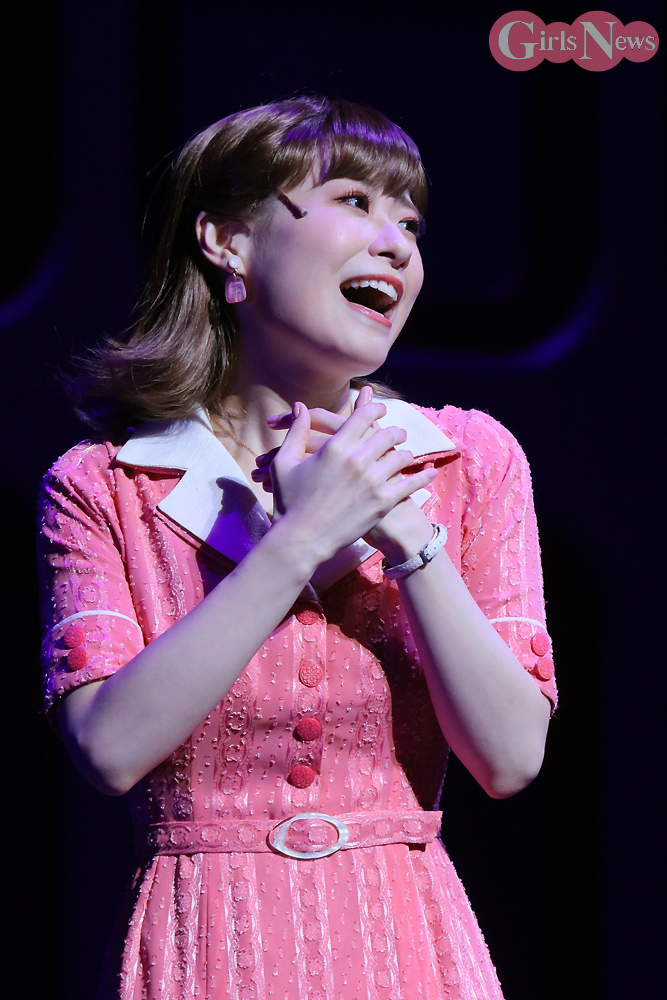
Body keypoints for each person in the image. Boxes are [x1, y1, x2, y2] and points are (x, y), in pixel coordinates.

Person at [38, 95, 557, 1000]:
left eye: (409, 224)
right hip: (209, 948)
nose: (396, 245)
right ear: (228, 241)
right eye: (354, 202)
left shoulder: (467, 461)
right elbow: (109, 748)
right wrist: (301, 539)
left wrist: (407, 537)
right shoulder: (106, 485)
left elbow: (510, 756)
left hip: (408, 948)